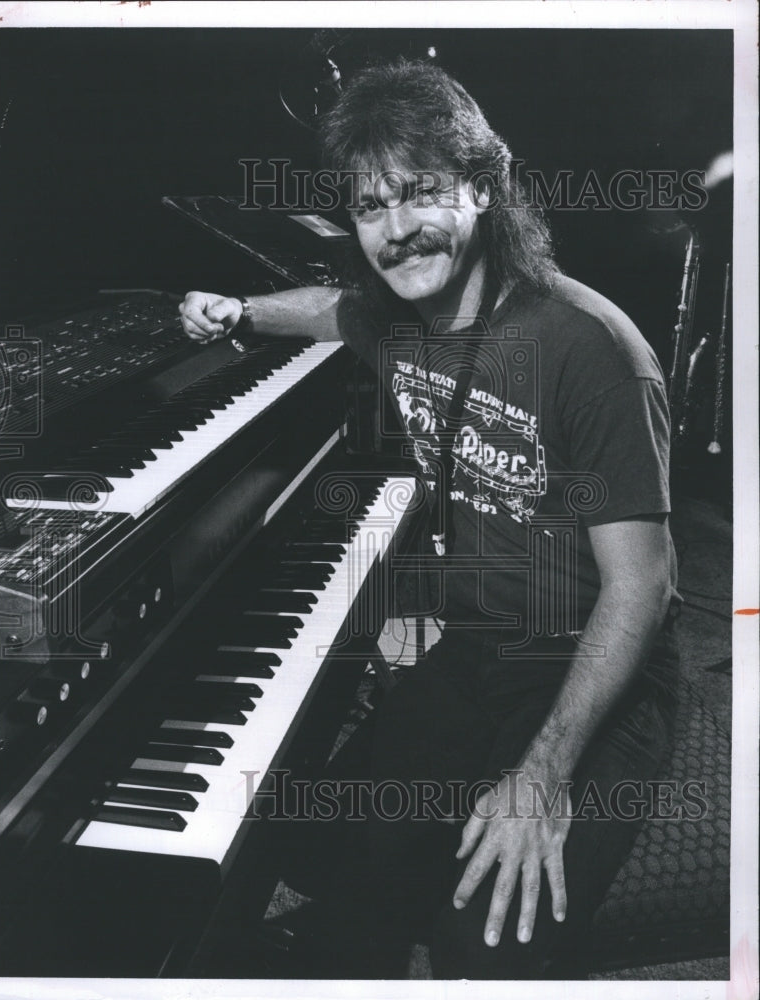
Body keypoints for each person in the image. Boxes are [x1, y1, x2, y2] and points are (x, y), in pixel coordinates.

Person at [179, 59, 680, 979]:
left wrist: (541, 775)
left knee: (485, 939)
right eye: (372, 207)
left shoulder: (590, 347)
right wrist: (242, 311)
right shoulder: (393, 311)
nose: (398, 231)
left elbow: (643, 584)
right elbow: (333, 310)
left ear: (485, 188)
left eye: (422, 193)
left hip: (591, 661)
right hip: (479, 648)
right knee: (304, 845)